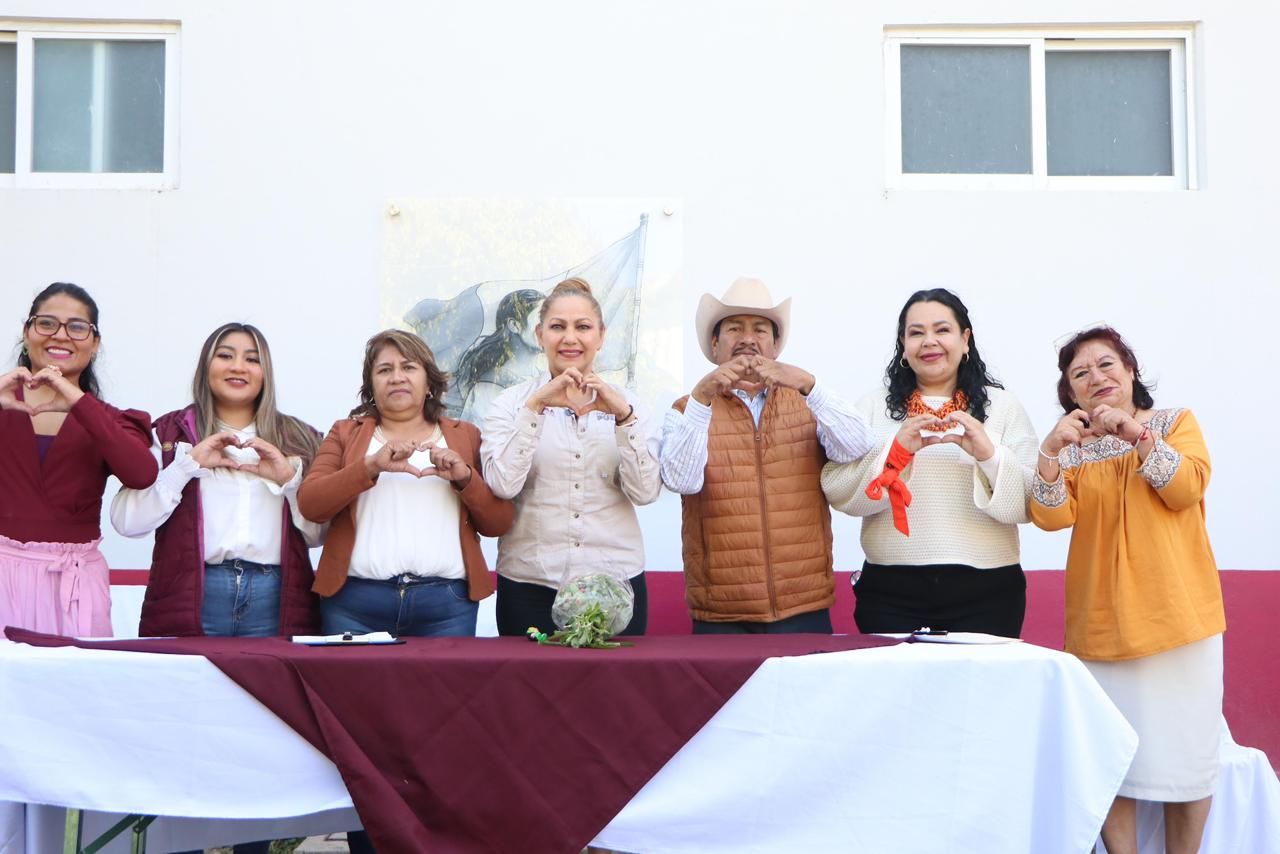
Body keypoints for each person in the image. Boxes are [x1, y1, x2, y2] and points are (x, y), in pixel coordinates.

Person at [1030, 325, 1224, 854]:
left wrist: (1137, 435)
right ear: (1070, 393)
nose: (1096, 377)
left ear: (1131, 371)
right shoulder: (1073, 449)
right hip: (1101, 629)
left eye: (1106, 364)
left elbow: (1185, 488)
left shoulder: (1175, 423)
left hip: (1180, 624)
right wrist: (1049, 451)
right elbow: (1050, 517)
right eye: (1080, 374)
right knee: (1110, 762)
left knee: (1188, 763)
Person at [659, 277, 872, 633]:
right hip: (721, 613)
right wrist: (702, 397)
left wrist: (809, 384)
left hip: (804, 605)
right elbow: (682, 481)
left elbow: (858, 446)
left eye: (760, 329)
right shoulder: (687, 409)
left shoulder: (807, 401)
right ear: (715, 345)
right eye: (734, 328)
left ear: (775, 346)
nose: (747, 339)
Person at [822, 288, 1037, 638]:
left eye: (942, 330)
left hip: (989, 591)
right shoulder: (872, 407)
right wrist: (894, 454)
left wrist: (990, 455)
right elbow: (838, 491)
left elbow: (1031, 502)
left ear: (965, 340)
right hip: (891, 590)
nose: (929, 341)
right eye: (916, 332)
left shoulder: (1003, 407)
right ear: (903, 345)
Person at [111, 322, 325, 639]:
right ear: (206, 367)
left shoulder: (300, 439)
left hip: (275, 596)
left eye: (252, 359)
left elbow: (319, 535)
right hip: (192, 593)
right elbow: (127, 522)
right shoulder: (169, 434)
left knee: (271, 674)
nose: (238, 366)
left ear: (265, 372)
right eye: (225, 355)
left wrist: (289, 482)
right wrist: (186, 467)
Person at [297, 329, 513, 637]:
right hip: (354, 604)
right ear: (371, 386)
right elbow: (311, 505)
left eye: (409, 367)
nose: (397, 377)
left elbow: (499, 522)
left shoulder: (465, 435)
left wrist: (466, 478)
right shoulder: (345, 432)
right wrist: (370, 466)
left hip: (446, 607)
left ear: (429, 383)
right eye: (385, 370)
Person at [481, 277, 660, 636]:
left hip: (615, 586)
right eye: (557, 327)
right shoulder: (511, 404)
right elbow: (502, 485)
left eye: (583, 327)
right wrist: (535, 409)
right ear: (539, 335)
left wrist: (624, 419)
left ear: (601, 335)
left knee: (616, 676)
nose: (570, 338)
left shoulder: (631, 405)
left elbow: (645, 492)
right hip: (530, 585)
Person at [0, 282, 157, 635]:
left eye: (76, 327)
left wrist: (78, 402)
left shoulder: (108, 420)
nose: (60, 335)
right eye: (46, 323)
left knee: (74, 672)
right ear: (26, 332)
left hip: (74, 585)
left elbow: (142, 474)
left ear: (95, 343)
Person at [450, 288, 545, 422]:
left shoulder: (547, 377)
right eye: (541, 319)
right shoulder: (489, 387)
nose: (551, 327)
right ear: (514, 325)